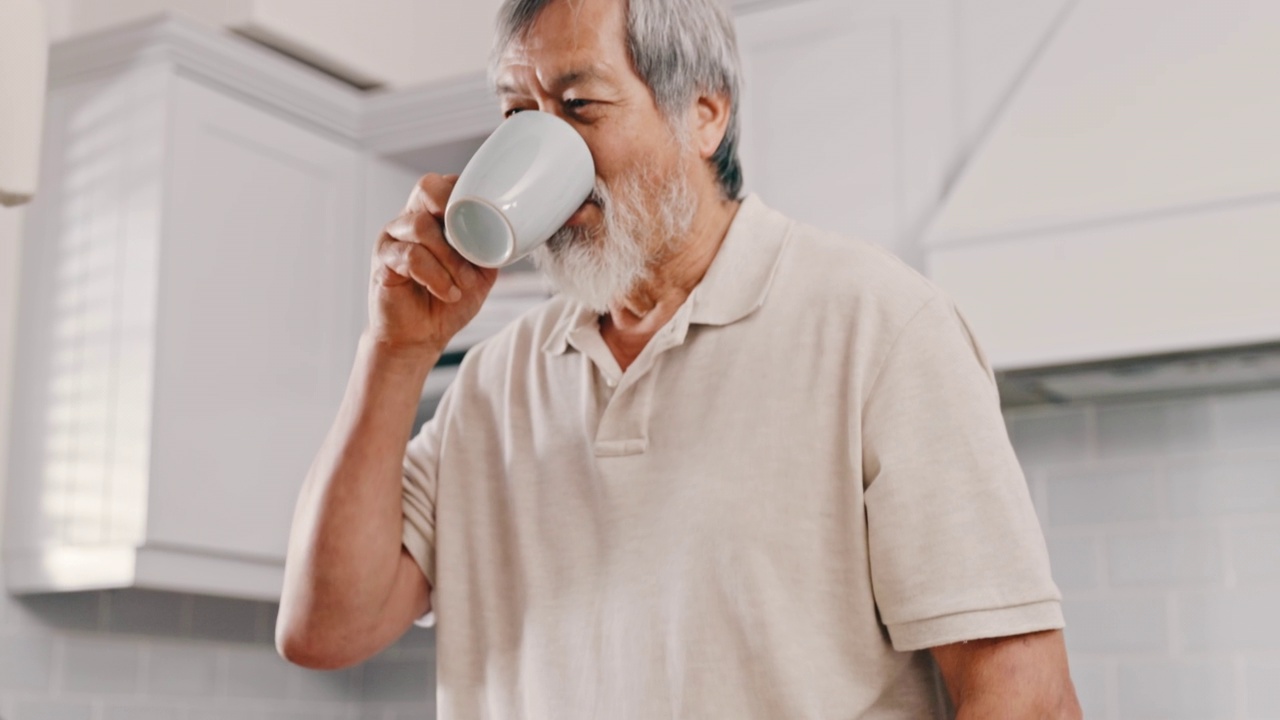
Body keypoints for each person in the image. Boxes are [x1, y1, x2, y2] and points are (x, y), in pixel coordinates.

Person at [276, 0, 1082, 717]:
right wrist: (394, 350)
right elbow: (325, 628)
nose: (538, 141)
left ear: (704, 114)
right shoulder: (493, 381)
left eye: (578, 106)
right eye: (516, 112)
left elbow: (1026, 698)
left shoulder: (879, 324)